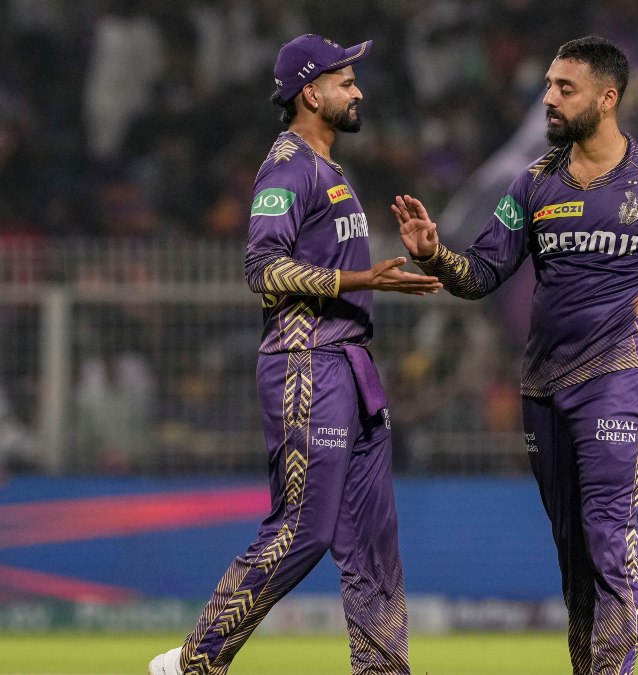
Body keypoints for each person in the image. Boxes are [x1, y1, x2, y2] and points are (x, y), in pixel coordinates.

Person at [392, 35, 638, 675]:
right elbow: (482, 275)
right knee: (575, 555)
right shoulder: (533, 184)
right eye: (548, 85)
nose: (548, 99)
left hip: (618, 381)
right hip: (543, 390)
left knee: (609, 537)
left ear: (607, 99)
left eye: (564, 89)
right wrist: (435, 255)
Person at [148, 34, 442, 675]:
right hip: (306, 365)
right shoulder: (287, 167)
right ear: (311, 92)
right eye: (346, 82)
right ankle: (195, 662)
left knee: (373, 544)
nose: (358, 91)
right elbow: (262, 268)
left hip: (352, 368)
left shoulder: (328, 168)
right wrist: (362, 280)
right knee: (302, 530)